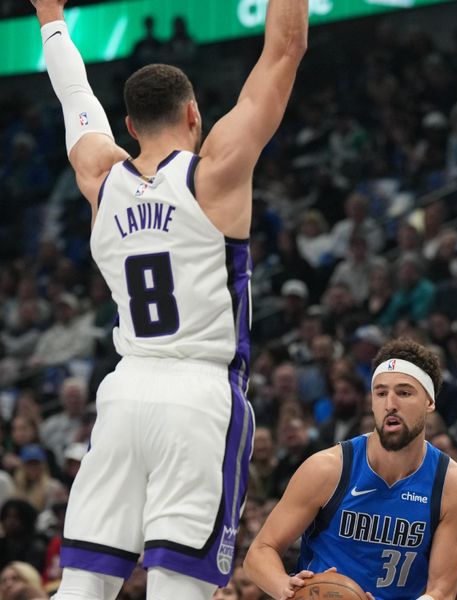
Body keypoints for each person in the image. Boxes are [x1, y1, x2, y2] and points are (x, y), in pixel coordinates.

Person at [30, 0, 308, 595]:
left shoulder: (98, 177)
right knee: (178, 587)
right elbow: (284, 50)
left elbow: (74, 95)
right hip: (198, 396)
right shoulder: (215, 173)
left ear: (128, 126)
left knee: (79, 587)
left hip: (124, 393)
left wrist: (50, 13)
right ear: (194, 113)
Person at [243, 339, 457, 600]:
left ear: (429, 402)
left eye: (404, 392)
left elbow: (442, 591)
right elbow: (260, 552)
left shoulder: (455, 487)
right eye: (380, 393)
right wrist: (286, 588)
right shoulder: (328, 468)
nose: (390, 403)